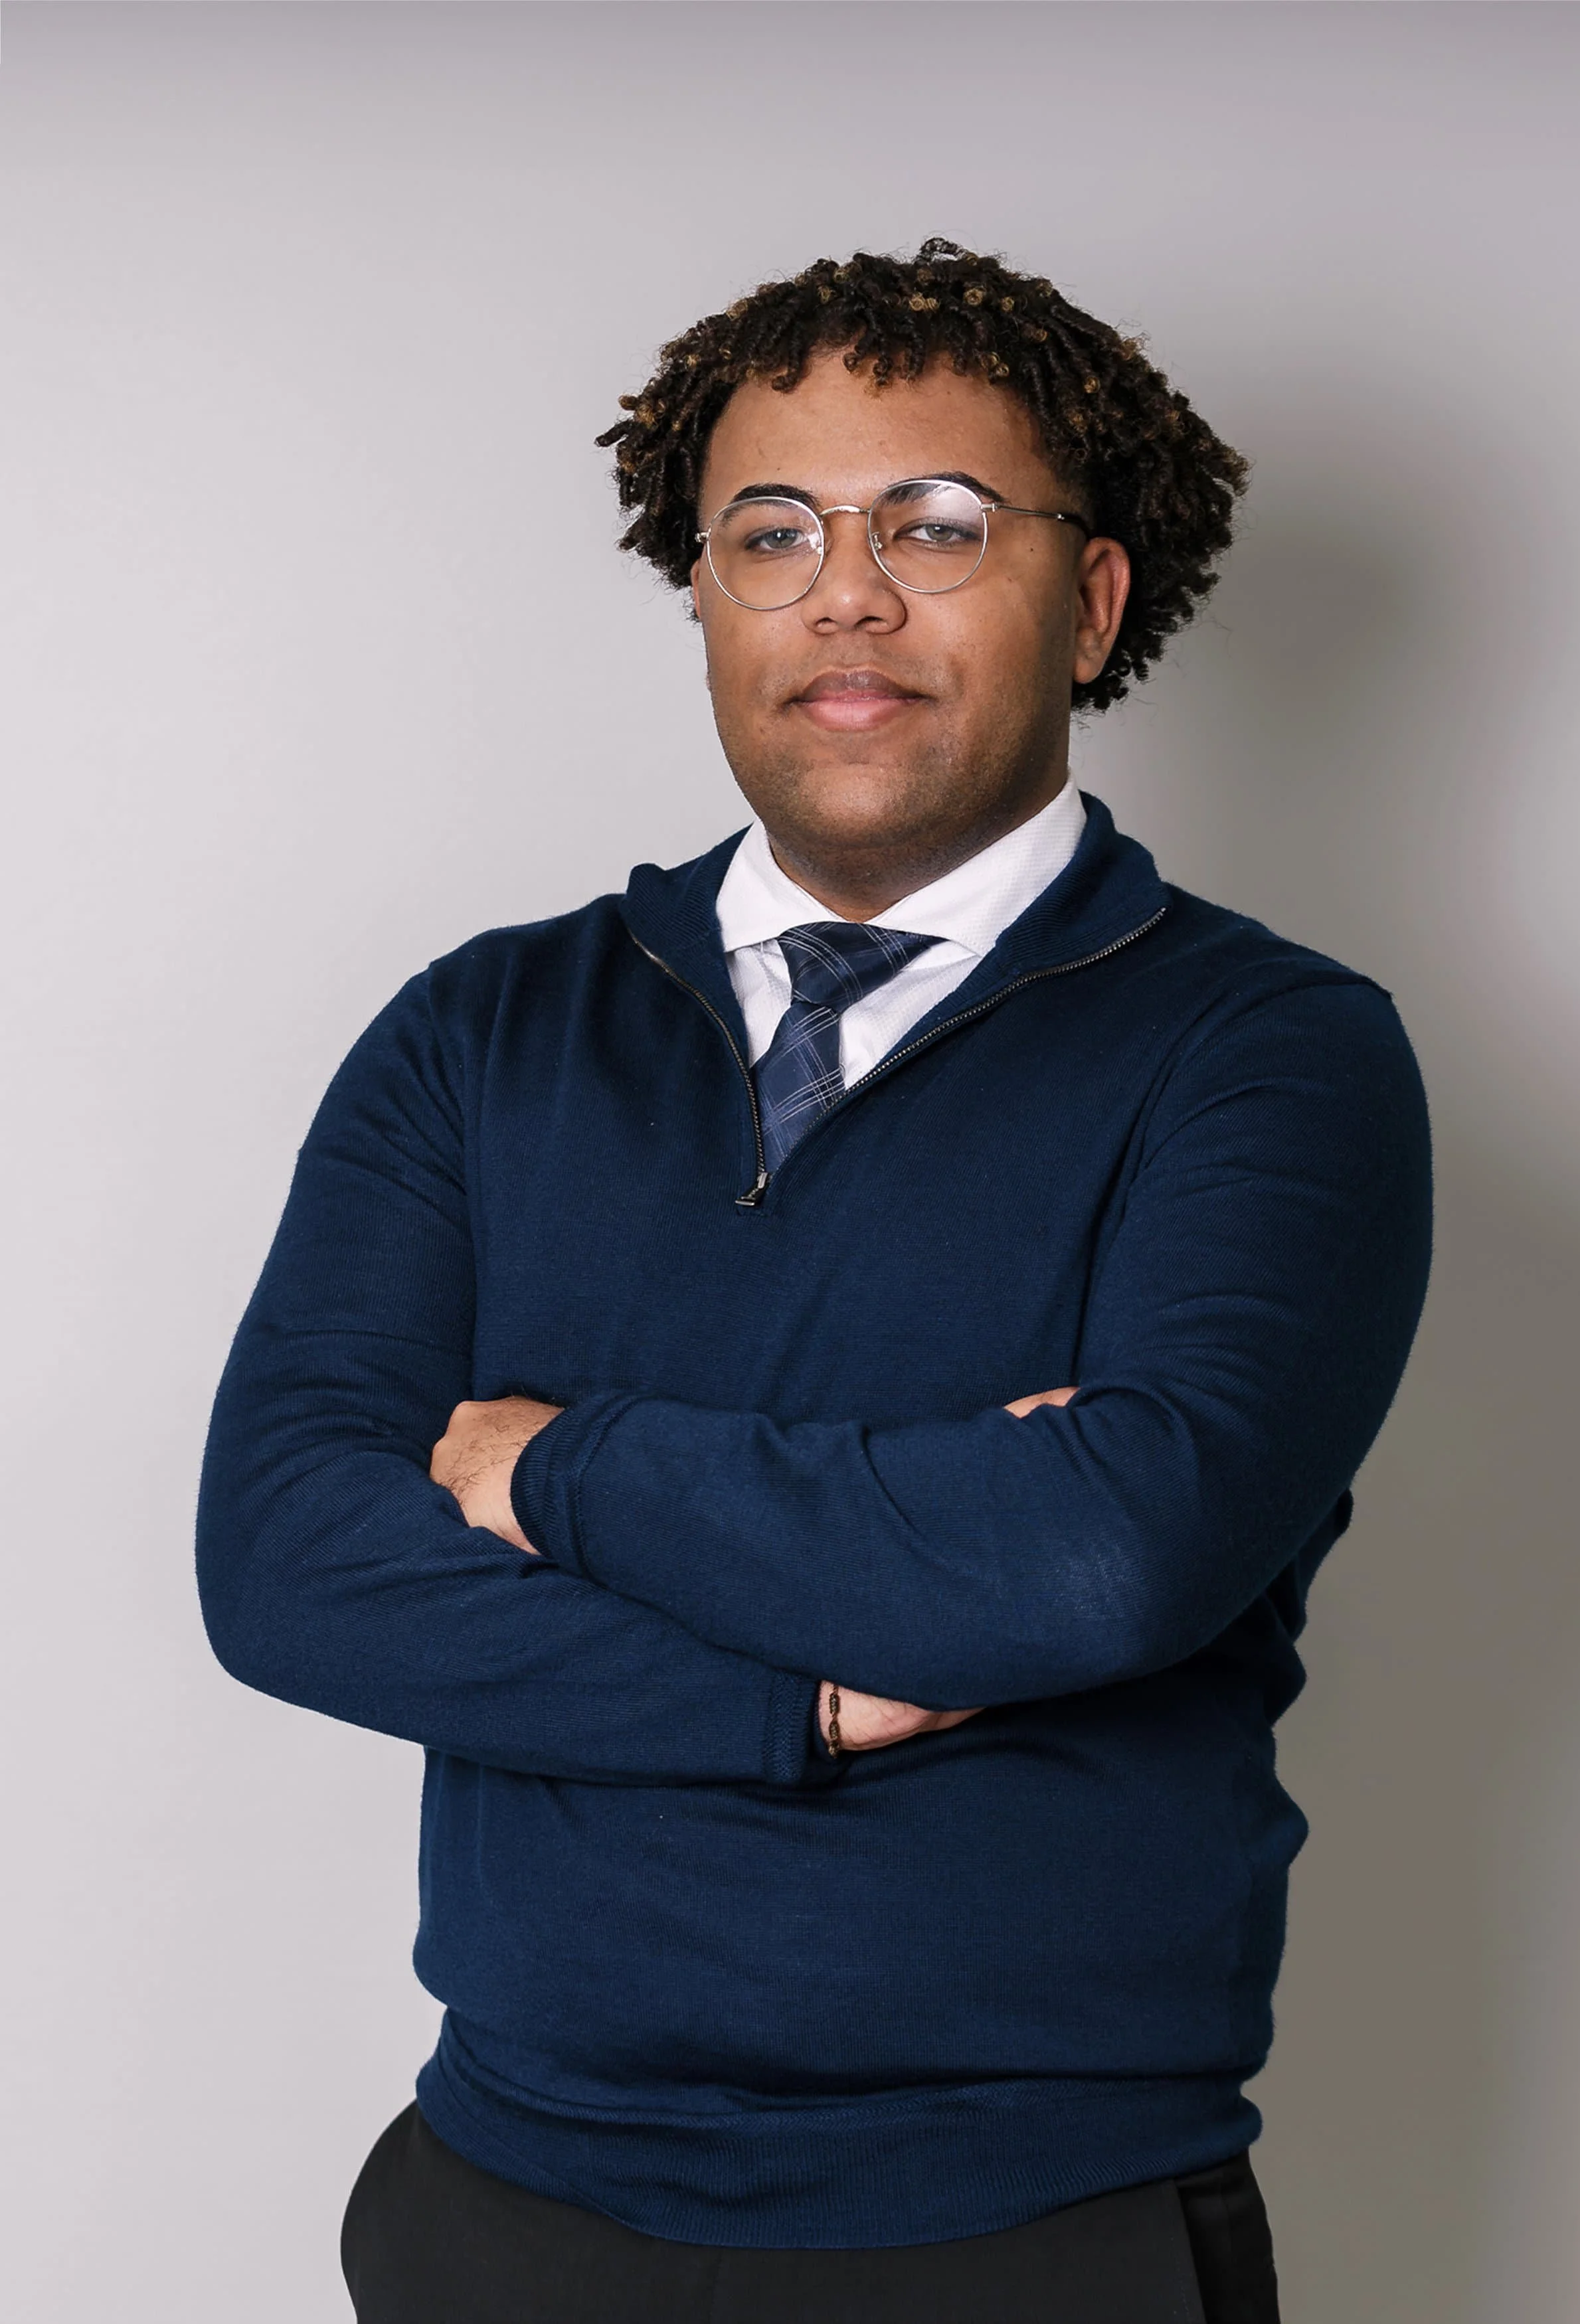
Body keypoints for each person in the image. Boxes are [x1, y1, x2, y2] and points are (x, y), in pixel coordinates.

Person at [197, 238, 1433, 2323]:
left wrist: (555, 1464)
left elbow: (1088, 1568)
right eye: (771, 531)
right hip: (500, 2203)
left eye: (935, 525)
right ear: (706, 596)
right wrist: (814, 1690)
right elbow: (288, 1558)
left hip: (1029, 2235)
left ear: (1094, 600)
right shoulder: (483, 1035)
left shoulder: (1270, 1055)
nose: (845, 589)